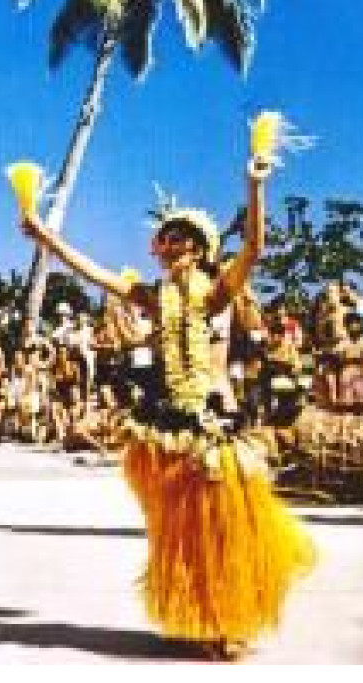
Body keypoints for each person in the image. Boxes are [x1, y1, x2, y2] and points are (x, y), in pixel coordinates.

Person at [23, 149, 313, 660]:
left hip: (214, 421)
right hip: (169, 422)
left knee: (223, 526)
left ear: (199, 249)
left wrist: (254, 186)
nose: (169, 244)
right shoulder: (154, 297)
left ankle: (231, 618)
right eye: (167, 237)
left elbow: (255, 247)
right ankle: (201, 615)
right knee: (184, 529)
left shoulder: (217, 293)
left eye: (180, 237)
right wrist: (46, 238)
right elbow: (94, 272)